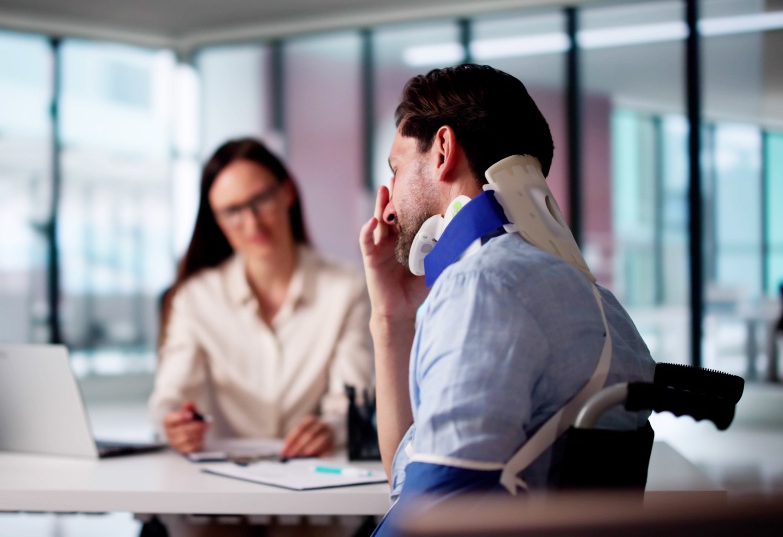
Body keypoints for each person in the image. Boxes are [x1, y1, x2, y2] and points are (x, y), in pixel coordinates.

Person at [358, 64, 656, 534]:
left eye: (396, 169)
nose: (389, 203)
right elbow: (413, 473)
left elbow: (429, 516)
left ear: (442, 150)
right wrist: (391, 315)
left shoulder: (481, 288)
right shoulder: (604, 306)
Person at [149, 138, 373, 459]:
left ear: (287, 192)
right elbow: (170, 397)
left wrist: (331, 428)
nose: (252, 222)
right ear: (217, 220)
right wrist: (174, 424)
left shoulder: (346, 287)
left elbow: (353, 400)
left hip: (314, 473)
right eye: (232, 211)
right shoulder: (194, 298)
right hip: (225, 476)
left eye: (261, 199)